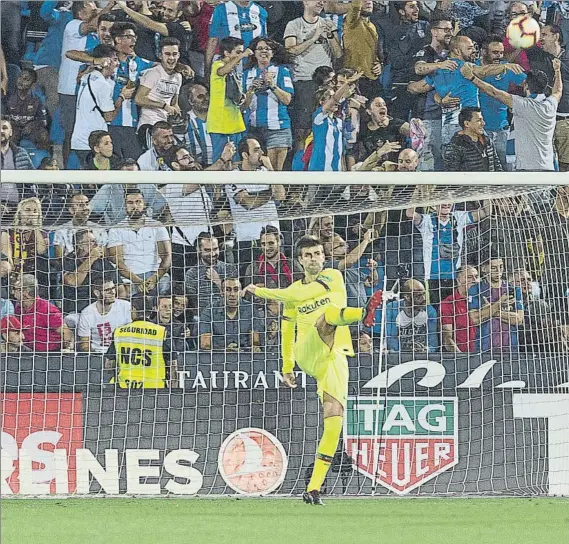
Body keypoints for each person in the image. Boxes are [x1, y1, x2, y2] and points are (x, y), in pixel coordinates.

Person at [242, 235, 381, 505]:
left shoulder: (332, 277)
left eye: (317, 253)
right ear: (300, 260)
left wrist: (260, 290)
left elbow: (299, 294)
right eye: (308, 255)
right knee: (326, 317)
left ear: (323, 256)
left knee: (334, 420)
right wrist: (287, 365)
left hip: (336, 356)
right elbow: (286, 329)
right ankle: (362, 314)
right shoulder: (294, 290)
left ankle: (313, 488)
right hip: (308, 351)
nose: (314, 258)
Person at [461, 59, 563, 172]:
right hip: (548, 167)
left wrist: (471, 77)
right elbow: (558, 91)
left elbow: (494, 92)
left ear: (526, 86)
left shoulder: (523, 105)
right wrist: (557, 71)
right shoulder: (550, 104)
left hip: (527, 168)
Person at [406, 199, 491, 305]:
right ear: (435, 204)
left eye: (448, 201)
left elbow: (486, 212)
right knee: (436, 312)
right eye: (442, 200)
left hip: (454, 277)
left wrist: (486, 192)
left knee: (454, 310)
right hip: (433, 277)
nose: (446, 204)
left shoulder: (459, 217)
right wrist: (418, 191)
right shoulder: (427, 220)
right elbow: (409, 213)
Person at [284, 0, 342, 151]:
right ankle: (300, 165)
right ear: (305, 2)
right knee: (303, 130)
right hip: (304, 82)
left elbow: (338, 53)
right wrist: (314, 37)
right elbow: (290, 51)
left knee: (325, 125)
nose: (322, 2)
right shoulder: (294, 25)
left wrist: (329, 35)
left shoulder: (328, 24)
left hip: (326, 83)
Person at [242, 38, 294, 171]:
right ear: (254, 53)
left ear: (273, 53)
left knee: (274, 173)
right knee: (254, 171)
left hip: (278, 128)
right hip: (254, 130)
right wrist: (251, 90)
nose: (263, 51)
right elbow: (242, 106)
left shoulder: (282, 71)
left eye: (267, 48)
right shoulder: (247, 74)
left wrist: (272, 85)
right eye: (259, 48)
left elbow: (287, 100)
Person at [107, 188, 172, 295]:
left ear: (144, 204)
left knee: (164, 286)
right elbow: (118, 262)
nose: (134, 206)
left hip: (155, 273)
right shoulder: (115, 230)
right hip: (129, 275)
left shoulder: (157, 226)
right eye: (130, 202)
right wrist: (137, 280)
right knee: (125, 291)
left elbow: (167, 256)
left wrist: (154, 278)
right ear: (124, 206)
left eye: (138, 202)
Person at [105, 295, 178, 389]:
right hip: (154, 390)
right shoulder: (162, 332)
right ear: (151, 311)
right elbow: (173, 366)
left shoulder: (119, 332)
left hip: (124, 389)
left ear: (133, 309)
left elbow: (109, 366)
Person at [411, 14, 454, 171]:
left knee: (448, 159)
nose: (450, 32)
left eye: (451, 29)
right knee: (428, 161)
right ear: (434, 32)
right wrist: (440, 67)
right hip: (428, 115)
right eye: (446, 29)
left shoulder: (452, 53)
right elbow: (419, 68)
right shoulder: (425, 52)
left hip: (451, 115)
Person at [70, 44, 124, 169]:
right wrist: (122, 97)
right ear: (105, 62)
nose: (117, 64)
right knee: (93, 183)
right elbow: (109, 117)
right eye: (114, 60)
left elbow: (80, 78)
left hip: (80, 140)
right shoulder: (102, 85)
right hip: (91, 143)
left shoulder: (86, 77)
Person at [478, 35, 527, 169]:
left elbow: (529, 84)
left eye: (501, 52)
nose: (499, 56)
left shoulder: (507, 68)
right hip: (479, 130)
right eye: (495, 52)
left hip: (502, 129)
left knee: (506, 169)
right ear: (484, 52)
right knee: (481, 169)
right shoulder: (473, 68)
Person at [376, 1, 430, 121]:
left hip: (421, 81)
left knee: (419, 121)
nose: (416, 9)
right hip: (400, 82)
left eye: (417, 6)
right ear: (401, 11)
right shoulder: (391, 30)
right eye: (411, 7)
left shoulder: (425, 26)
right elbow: (394, 59)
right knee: (400, 119)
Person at [526, 24, 569, 172]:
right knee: (544, 165)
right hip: (543, 121)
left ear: (556, 36)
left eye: (544, 34)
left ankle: (563, 196)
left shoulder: (567, 58)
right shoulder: (538, 56)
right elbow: (521, 37)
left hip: (565, 122)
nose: (541, 38)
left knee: (565, 167)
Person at [206, 37, 251, 162]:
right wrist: (242, 56)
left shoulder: (234, 70)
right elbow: (221, 72)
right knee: (221, 159)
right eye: (238, 52)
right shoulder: (218, 65)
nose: (240, 55)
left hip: (234, 121)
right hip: (220, 122)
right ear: (226, 53)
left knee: (237, 159)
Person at [135, 37, 183, 149]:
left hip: (165, 127)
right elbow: (139, 99)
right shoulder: (153, 73)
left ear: (178, 55)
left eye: (174, 54)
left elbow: (174, 102)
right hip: (148, 126)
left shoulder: (178, 77)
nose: (171, 58)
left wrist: (176, 110)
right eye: (167, 54)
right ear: (160, 55)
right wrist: (163, 105)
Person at [469, 256, 525, 354]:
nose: (498, 271)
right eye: (493, 268)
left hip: (510, 348)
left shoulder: (514, 289)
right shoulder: (475, 289)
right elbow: (475, 319)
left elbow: (518, 319)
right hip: (484, 348)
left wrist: (491, 310)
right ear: (484, 268)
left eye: (501, 267)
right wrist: (500, 303)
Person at [62, 228, 121, 318]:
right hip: (77, 309)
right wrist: (91, 258)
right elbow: (73, 282)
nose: (96, 245)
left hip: (103, 308)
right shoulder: (68, 260)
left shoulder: (102, 262)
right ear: (80, 245)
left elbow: (121, 289)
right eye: (92, 242)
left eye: (95, 241)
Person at [308, 73, 362, 171]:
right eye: (330, 98)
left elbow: (340, 149)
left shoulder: (339, 122)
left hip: (336, 172)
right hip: (318, 171)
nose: (335, 102)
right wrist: (346, 84)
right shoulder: (318, 118)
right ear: (322, 101)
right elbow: (336, 99)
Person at [199, 277, 264, 351]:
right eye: (228, 290)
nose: (232, 294)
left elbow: (255, 342)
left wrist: (255, 348)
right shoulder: (209, 311)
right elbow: (205, 345)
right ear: (221, 292)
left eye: (236, 290)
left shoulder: (250, 309)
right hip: (218, 357)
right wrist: (226, 351)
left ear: (241, 292)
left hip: (245, 356)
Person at [205, 0, 268, 76]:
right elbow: (213, 40)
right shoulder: (221, 9)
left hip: (252, 68)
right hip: (229, 68)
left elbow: (264, 42)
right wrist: (207, 70)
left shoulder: (261, 11)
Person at [12, 274, 73, 352]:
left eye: (15, 289)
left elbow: (65, 332)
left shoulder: (47, 309)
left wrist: (67, 349)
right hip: (26, 351)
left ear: (25, 293)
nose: (13, 292)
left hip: (48, 354)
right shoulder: (18, 308)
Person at [184, 232, 238, 317]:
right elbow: (193, 305)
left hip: (228, 316)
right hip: (203, 318)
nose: (212, 254)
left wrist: (219, 282)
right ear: (198, 249)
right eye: (207, 250)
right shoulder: (191, 274)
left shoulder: (230, 269)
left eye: (215, 249)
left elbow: (236, 298)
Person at [77, 277, 131, 353]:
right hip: (98, 354)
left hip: (122, 354)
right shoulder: (87, 313)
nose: (113, 292)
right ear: (97, 293)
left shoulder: (126, 307)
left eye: (113, 288)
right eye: (107, 290)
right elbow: (84, 344)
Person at [385, 278, 438, 353]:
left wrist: (426, 350)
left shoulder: (430, 311)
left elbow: (433, 341)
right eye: (418, 296)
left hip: (422, 355)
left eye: (424, 294)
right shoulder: (392, 308)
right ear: (407, 297)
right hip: (399, 355)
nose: (424, 299)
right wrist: (405, 352)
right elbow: (391, 339)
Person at [343, 0, 381, 98]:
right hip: (356, 78)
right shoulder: (351, 21)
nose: (368, 2)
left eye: (370, 0)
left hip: (372, 78)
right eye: (364, 0)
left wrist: (378, 64)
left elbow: (372, 51)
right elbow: (355, 8)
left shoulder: (372, 25)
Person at [444, 107, 502, 172]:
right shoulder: (455, 146)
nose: (483, 123)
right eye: (478, 120)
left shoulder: (488, 141)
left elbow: (498, 167)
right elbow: (451, 175)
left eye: (482, 120)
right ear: (467, 124)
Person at [5, 68, 50, 151]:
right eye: (20, 77)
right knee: (10, 135)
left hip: (31, 129)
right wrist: (14, 124)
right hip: (13, 127)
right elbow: (3, 117)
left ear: (32, 85)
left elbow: (44, 121)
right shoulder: (8, 97)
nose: (21, 81)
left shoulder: (37, 100)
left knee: (44, 136)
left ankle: (45, 161)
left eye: (26, 79)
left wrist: (32, 126)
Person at [53, 192, 108, 259]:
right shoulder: (61, 232)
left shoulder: (100, 230)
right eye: (80, 205)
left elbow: (104, 257)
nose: (85, 208)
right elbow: (59, 261)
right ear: (71, 210)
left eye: (87, 204)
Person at [440, 264, 480, 353]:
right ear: (458, 280)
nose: (475, 280)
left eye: (476, 277)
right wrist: (462, 358)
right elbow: (447, 339)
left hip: (486, 356)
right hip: (460, 357)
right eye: (469, 277)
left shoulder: (484, 300)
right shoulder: (448, 303)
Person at [184, 83, 213, 167]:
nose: (206, 99)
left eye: (207, 95)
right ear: (190, 101)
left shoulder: (218, 117)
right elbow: (178, 147)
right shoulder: (184, 120)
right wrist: (191, 161)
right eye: (200, 96)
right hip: (197, 166)